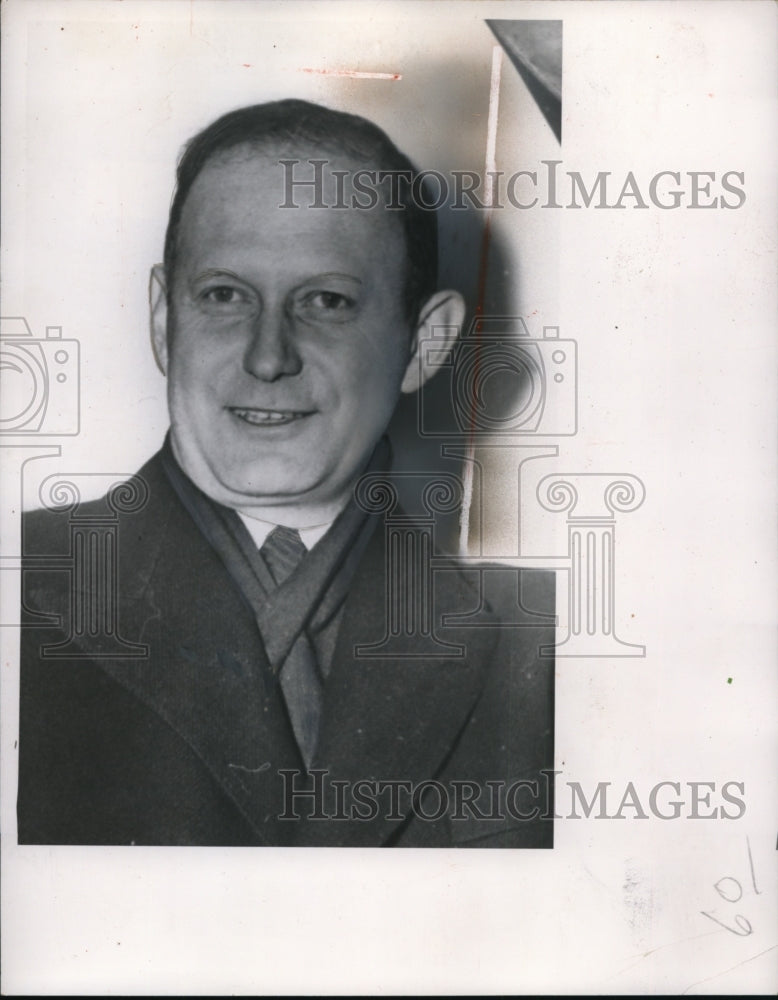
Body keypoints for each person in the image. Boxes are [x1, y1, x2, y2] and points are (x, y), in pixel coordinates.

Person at [17, 99, 554, 847]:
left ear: (425, 343)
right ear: (165, 320)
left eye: (326, 301)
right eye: (225, 296)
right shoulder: (20, 583)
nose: (269, 357)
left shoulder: (547, 649)